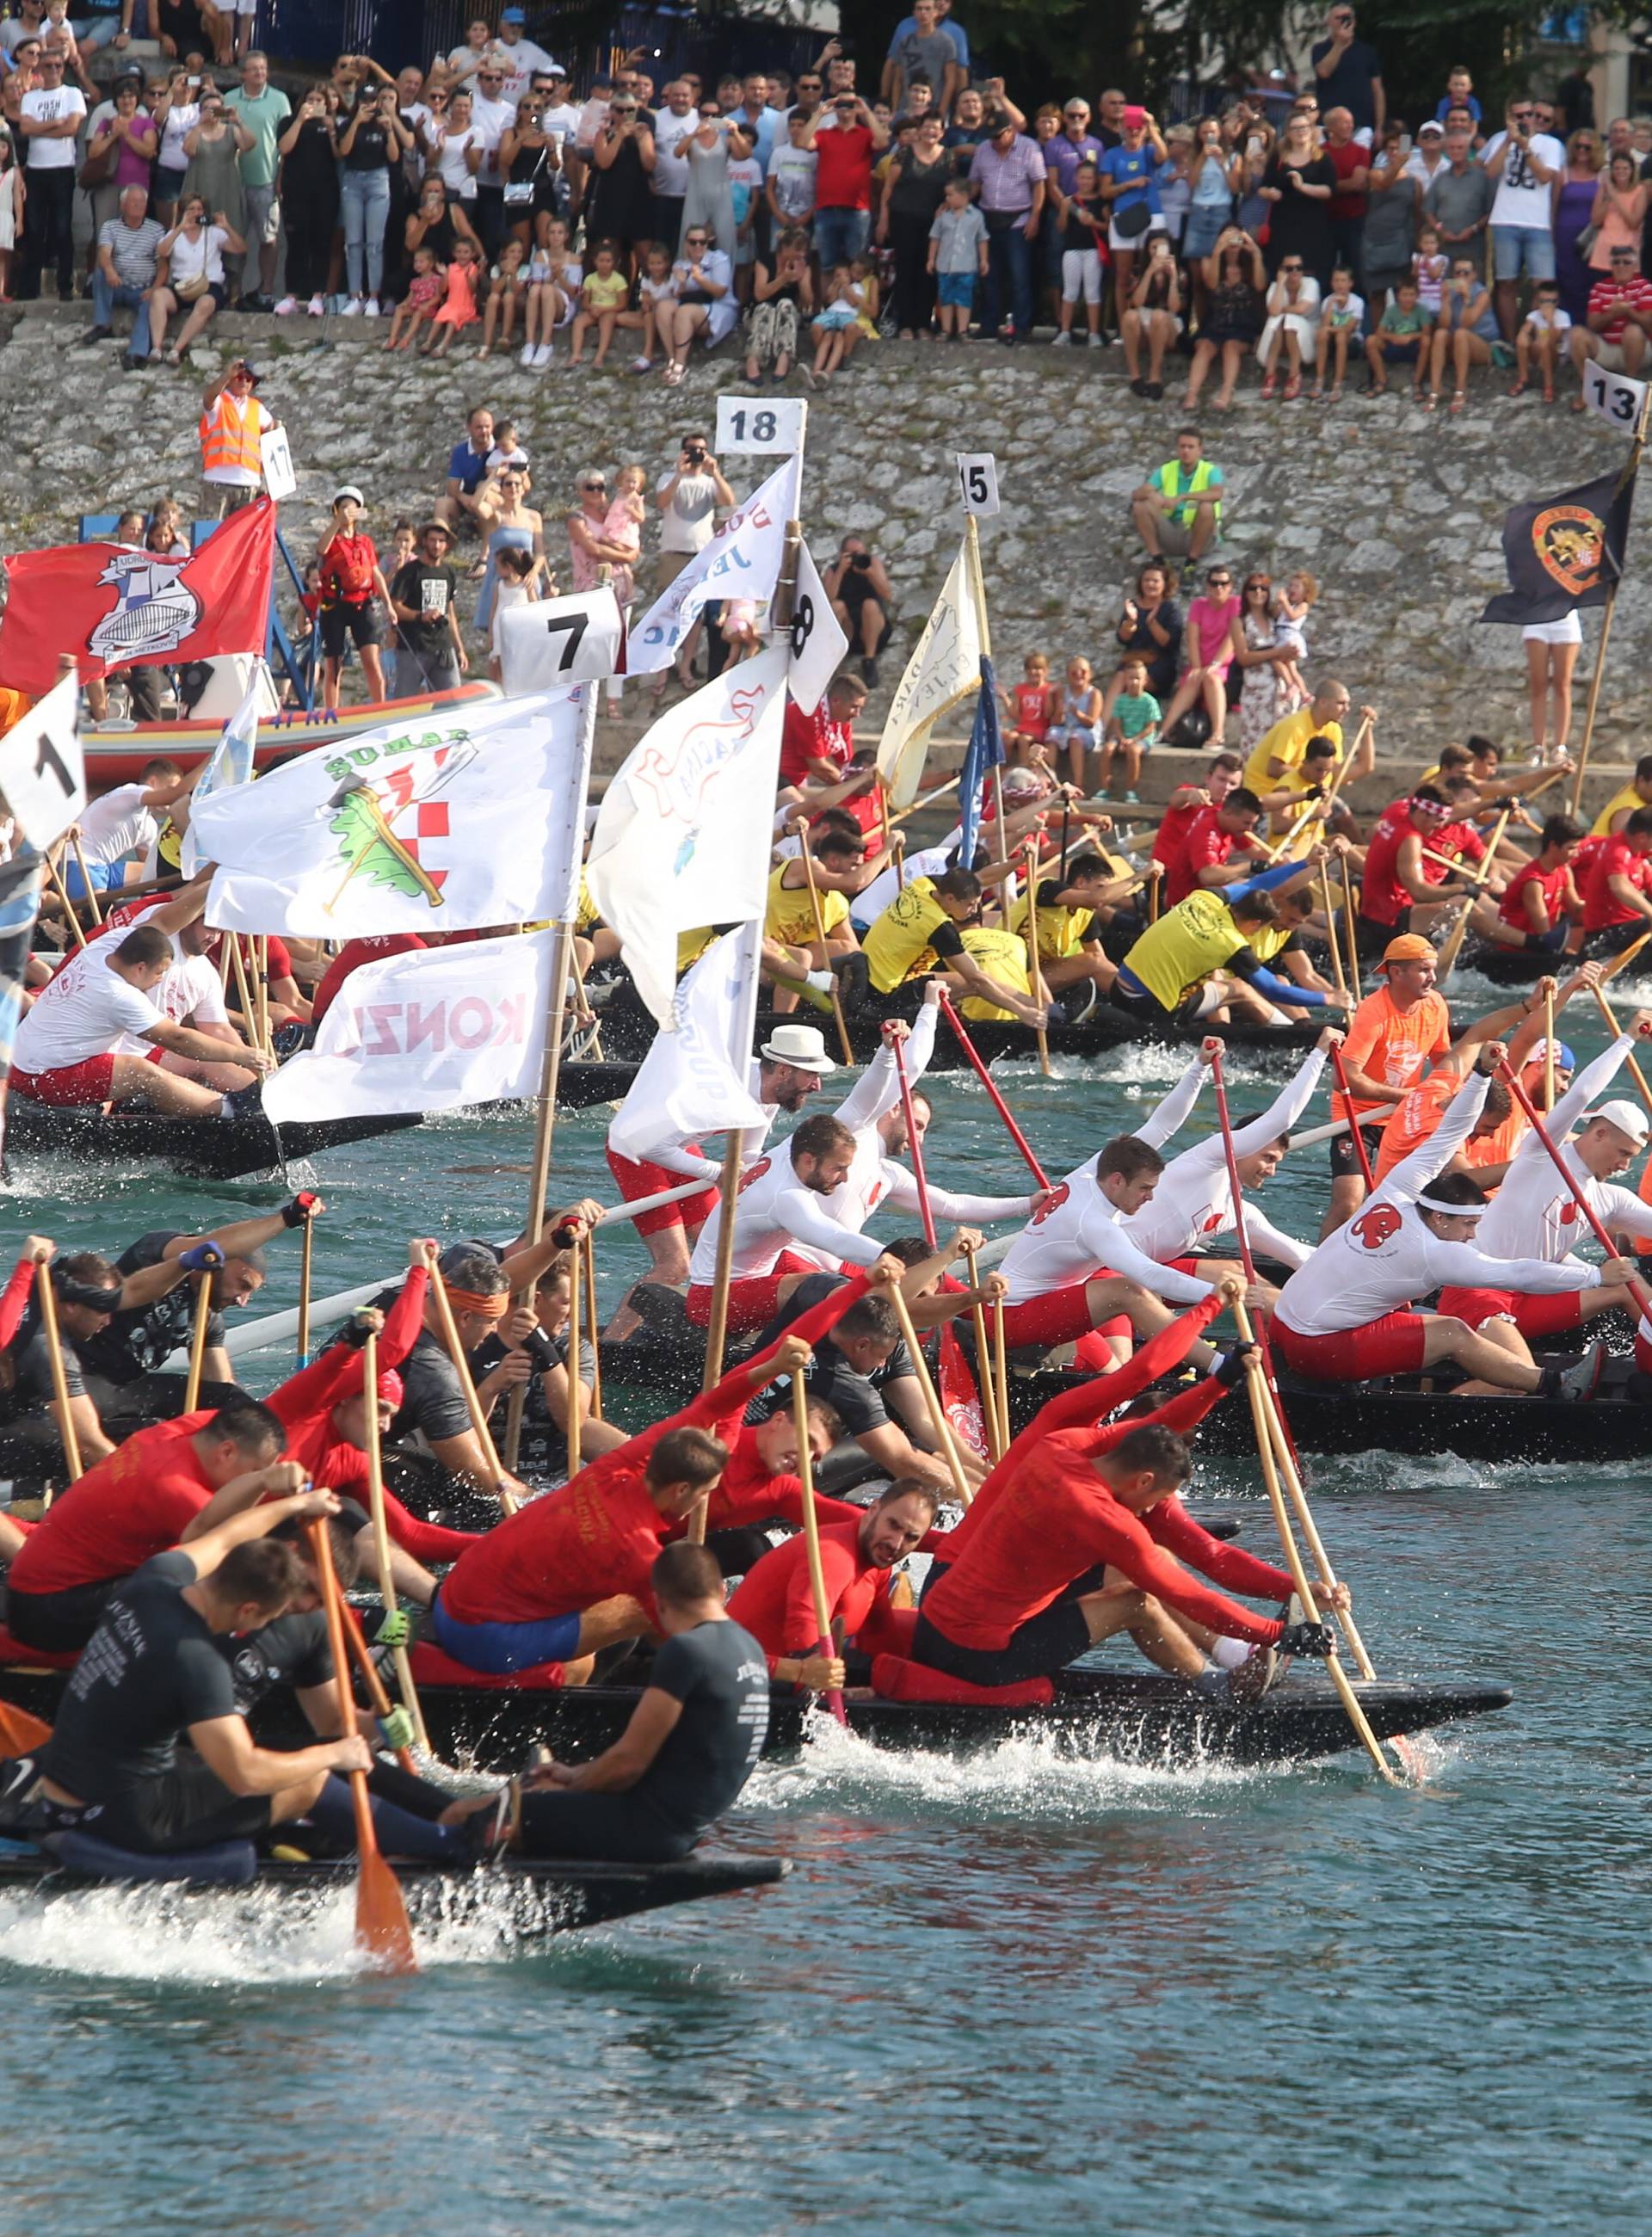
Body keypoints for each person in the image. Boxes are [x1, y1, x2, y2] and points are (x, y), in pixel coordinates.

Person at [430, 1312, 833, 1678]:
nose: (703, 1504)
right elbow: (707, 1641)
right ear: (681, 1490)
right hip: (483, 1639)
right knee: (639, 1615)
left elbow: (717, 1400)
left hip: (452, 1599)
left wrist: (776, 1365)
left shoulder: (614, 1465)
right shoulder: (641, 1554)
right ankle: (583, 1696)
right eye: (705, 1493)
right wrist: (796, 1672)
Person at [16, 1485, 380, 1858]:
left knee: (279, 1759)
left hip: (73, 1793)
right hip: (123, 1815)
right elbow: (246, 1775)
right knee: (309, 1783)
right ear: (248, 1611)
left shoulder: (155, 1577)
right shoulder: (198, 1660)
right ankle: (431, 1848)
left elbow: (224, 1539)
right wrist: (335, 1756)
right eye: (271, 1615)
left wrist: (298, 1503)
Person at [1273, 1046, 1624, 1397]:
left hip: (1282, 1324)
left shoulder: (1397, 1188)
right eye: (1469, 1225)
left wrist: (1480, 1075)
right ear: (1440, 1217)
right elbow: (1518, 1272)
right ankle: (1556, 1385)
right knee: (1453, 1331)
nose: (1473, 1235)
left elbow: (1453, 1129)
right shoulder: (1437, 1255)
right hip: (1316, 1347)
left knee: (1418, 1311)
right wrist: (1594, 1276)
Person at [440, 1542, 770, 1863]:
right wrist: (572, 1775)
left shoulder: (686, 1650)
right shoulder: (749, 1647)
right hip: (689, 1829)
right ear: (721, 1591)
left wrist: (563, 1792)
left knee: (463, 1812)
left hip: (645, 1830)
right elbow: (682, 1757)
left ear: (659, 1603)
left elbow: (628, 1765)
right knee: (531, 1795)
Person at [3, 1396, 293, 1648]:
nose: (258, 1482)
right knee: (198, 1589)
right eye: (254, 1472)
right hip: (44, 1611)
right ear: (226, 1452)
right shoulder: (177, 1491)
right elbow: (241, 1554)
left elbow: (272, 1412)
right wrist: (277, 1492)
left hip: (45, 1572)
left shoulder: (190, 1427)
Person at [9, 922, 272, 1118]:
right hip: (39, 1077)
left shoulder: (102, 947)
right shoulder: (119, 996)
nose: (160, 980)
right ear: (140, 967)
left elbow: (164, 920)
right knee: (141, 1072)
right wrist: (241, 1054)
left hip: (28, 1057)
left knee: (188, 1058)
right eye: (159, 973)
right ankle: (229, 1111)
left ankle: (261, 1098)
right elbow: (179, 1038)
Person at [728, 1481, 935, 1691]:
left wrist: (898, 1682)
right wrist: (826, 1693)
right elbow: (803, 1628)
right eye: (893, 1525)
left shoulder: (878, 1561)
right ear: (872, 1511)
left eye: (911, 1537)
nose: (896, 1543)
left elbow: (879, 1633)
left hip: (805, 1659)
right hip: (751, 1672)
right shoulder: (833, 1555)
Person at [1112, 858, 1342, 1031]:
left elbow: (1258, 882)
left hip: (1118, 987)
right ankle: (1292, 1036)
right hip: (1151, 1008)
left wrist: (1305, 863)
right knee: (1240, 989)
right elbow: (1272, 990)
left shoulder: (1207, 897)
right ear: (1256, 923)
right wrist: (1328, 999)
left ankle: (1299, 1026)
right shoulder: (1232, 945)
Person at [1483, 93, 1564, 342]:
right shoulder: (1500, 139)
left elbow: (1544, 177)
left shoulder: (1550, 144)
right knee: (1506, 283)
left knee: (1543, 284)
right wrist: (1509, 141)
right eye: (1520, 115)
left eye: (1529, 114)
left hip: (1537, 223)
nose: (1527, 119)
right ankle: (1510, 341)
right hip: (1505, 220)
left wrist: (1526, 147)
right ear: (1510, 116)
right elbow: (1490, 173)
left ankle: (1538, 341)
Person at [16, 44, 83, 302]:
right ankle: (29, 287)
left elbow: (71, 128)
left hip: (62, 169)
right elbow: (24, 127)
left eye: (58, 66)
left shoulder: (72, 93)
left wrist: (40, 128)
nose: (54, 70)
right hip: (35, 169)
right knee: (34, 228)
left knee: (61, 227)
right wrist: (55, 122)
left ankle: (65, 286)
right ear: (40, 69)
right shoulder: (30, 97)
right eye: (48, 66)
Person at [316, 484, 390, 712]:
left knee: (372, 659)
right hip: (335, 605)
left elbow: (376, 573)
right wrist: (337, 522)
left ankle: (380, 708)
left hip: (361, 604)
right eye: (343, 507)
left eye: (352, 507)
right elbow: (321, 549)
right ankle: (331, 712)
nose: (348, 511)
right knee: (334, 663)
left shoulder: (365, 542)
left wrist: (388, 604)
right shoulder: (332, 539)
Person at [386, 518, 467, 698]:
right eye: (432, 540)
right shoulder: (409, 572)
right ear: (424, 541)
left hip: (443, 646)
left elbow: (451, 613)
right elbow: (394, 606)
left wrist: (459, 648)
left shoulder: (449, 572)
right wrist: (420, 616)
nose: (436, 545)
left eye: (441, 541)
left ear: (446, 545)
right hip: (413, 646)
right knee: (404, 702)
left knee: (453, 701)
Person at [1130, 425, 1224, 564]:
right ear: (1177, 449)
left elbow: (1217, 494)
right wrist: (1152, 495)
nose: (1186, 451)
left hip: (1199, 535)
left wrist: (1183, 497)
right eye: (1182, 446)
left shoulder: (1210, 471)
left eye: (1191, 447)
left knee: (1206, 508)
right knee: (1139, 506)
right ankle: (1157, 559)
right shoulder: (1167, 469)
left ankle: (1191, 562)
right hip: (1171, 530)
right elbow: (1136, 494)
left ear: (1200, 450)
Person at [1569, 242, 1652, 397]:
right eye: (1616, 262)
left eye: (1626, 262)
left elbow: (1650, 326)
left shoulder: (1645, 287)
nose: (1621, 266)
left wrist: (1629, 312)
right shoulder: (1599, 287)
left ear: (1635, 265)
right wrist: (1611, 314)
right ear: (1611, 265)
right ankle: (1588, 389)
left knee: (1633, 331)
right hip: (1608, 349)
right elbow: (1592, 326)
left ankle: (1629, 385)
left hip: (1639, 351)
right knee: (1576, 334)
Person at [196, 354, 273, 518]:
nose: (243, 381)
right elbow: (208, 398)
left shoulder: (257, 408)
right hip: (218, 480)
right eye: (239, 377)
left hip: (249, 482)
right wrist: (226, 375)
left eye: (248, 378)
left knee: (241, 540)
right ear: (231, 379)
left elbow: (272, 429)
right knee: (212, 535)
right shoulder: (220, 402)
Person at [1310, 4, 1385, 143]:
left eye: (1347, 18)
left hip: (1361, 126)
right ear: (1329, 22)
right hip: (1327, 126)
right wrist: (1340, 43)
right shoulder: (1319, 49)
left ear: (1354, 21)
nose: (1343, 22)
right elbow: (1324, 72)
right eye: (1339, 18)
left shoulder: (1366, 52)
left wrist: (1379, 127)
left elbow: (1377, 91)